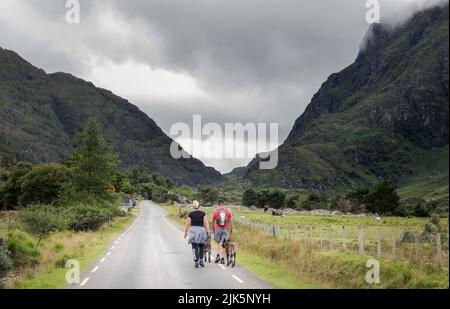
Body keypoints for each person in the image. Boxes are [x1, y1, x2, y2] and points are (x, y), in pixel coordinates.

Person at [184, 200, 211, 268]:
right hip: (201, 230)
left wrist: (185, 233)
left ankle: (196, 262)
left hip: (193, 230)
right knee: (201, 246)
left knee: (194, 246)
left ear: (193, 206)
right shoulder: (203, 213)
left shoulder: (191, 214)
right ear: (199, 206)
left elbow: (188, 224)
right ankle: (201, 260)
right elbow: (206, 223)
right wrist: (208, 231)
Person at [211, 200, 233, 264]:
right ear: (223, 204)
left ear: (218, 204)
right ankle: (223, 259)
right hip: (225, 230)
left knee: (218, 243)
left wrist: (212, 229)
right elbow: (230, 222)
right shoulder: (228, 211)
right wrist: (231, 230)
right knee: (223, 245)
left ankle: (218, 255)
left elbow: (213, 221)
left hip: (217, 229)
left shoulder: (215, 211)